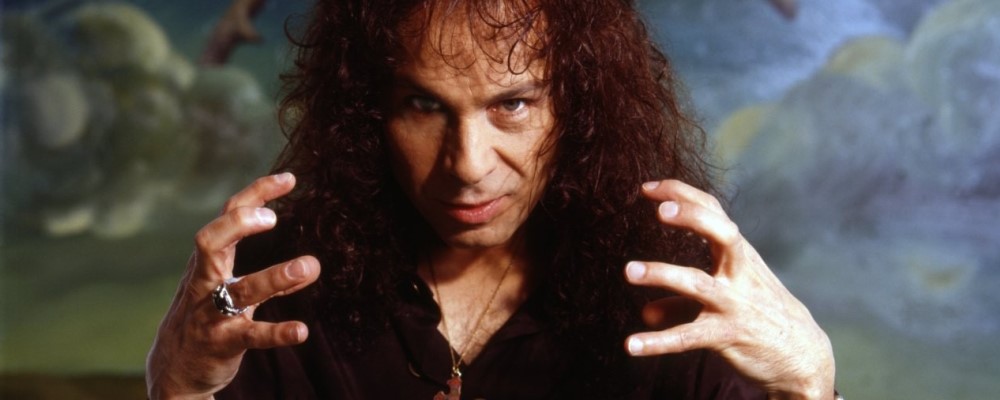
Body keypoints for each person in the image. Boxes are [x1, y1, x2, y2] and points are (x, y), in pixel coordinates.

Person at [146, 0, 837, 399]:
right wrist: (179, 389)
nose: (468, 166)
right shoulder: (273, 283)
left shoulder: (674, 292)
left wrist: (809, 382)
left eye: (512, 105)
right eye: (423, 106)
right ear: (367, 110)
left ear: (579, 105)